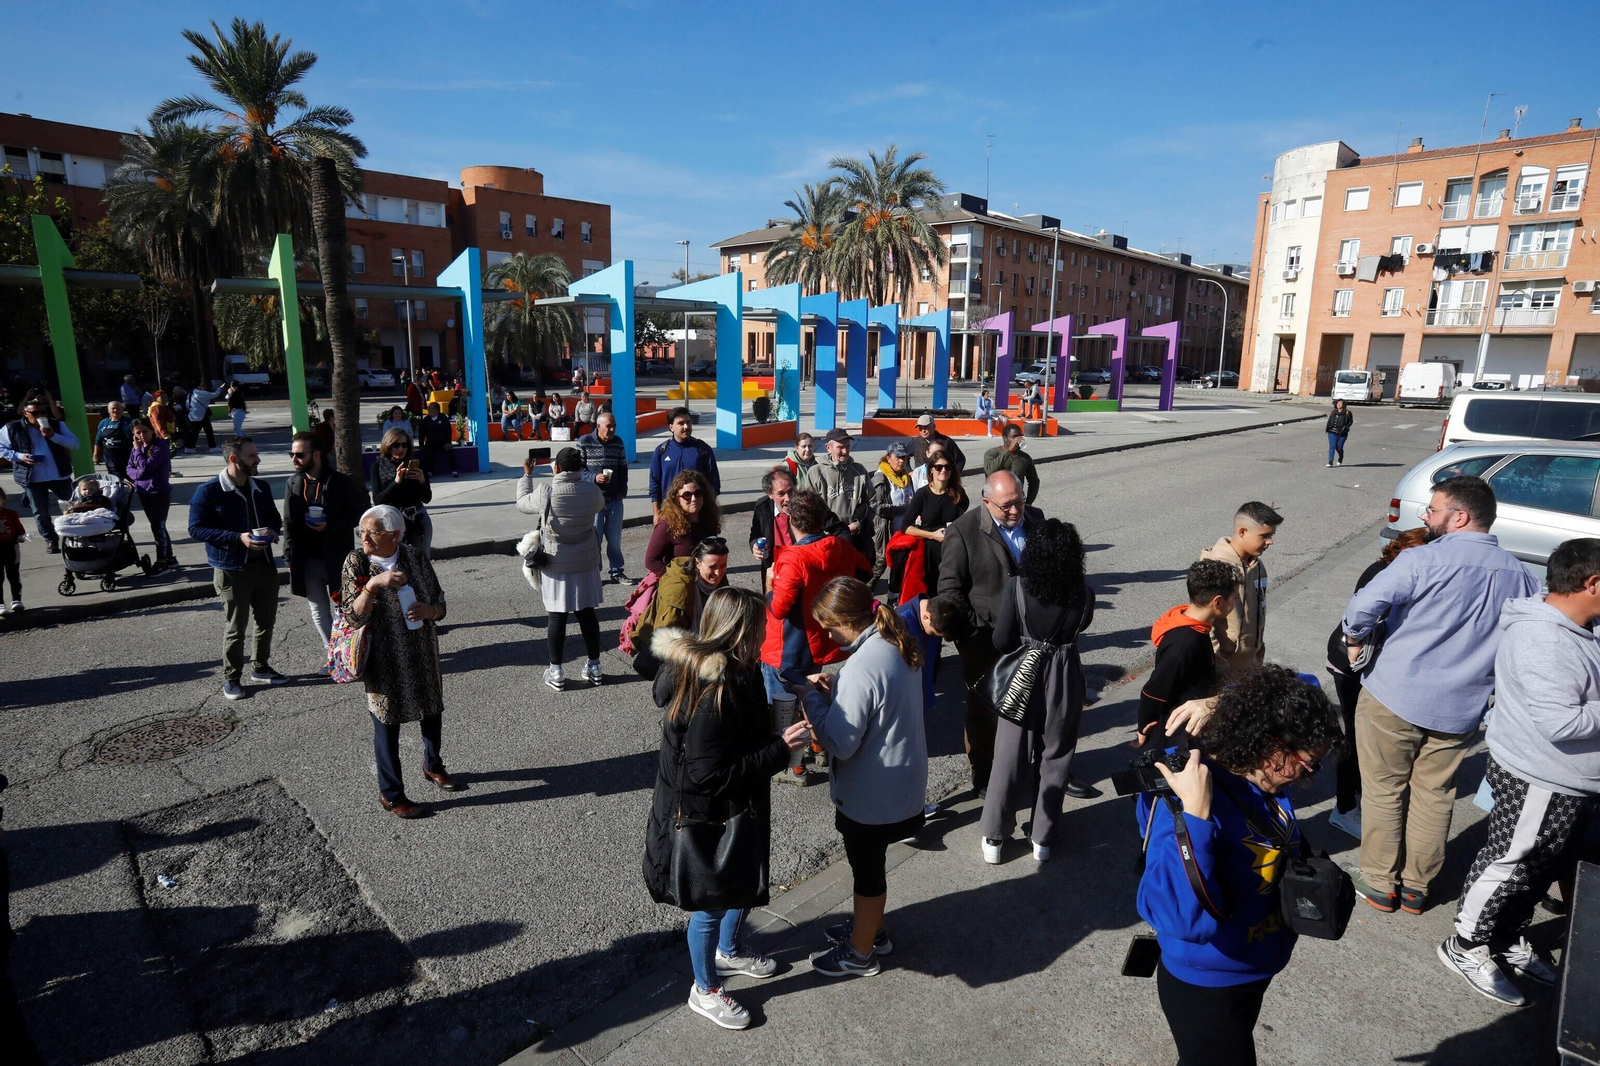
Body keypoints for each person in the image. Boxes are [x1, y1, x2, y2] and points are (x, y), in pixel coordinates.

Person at [1341, 475, 1539, 915]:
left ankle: (1379, 882)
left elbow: (1361, 608)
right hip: (1462, 706)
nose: (1425, 516)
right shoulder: (1523, 577)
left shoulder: (1421, 561)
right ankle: (1416, 887)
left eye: (1432, 510)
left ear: (1460, 516)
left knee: (1384, 790)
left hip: (1394, 694)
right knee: (1436, 793)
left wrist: (1356, 640)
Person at [1137, 666, 1340, 1066]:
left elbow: (1303, 684)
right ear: (1269, 743)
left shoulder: (1262, 769)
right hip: (1208, 984)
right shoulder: (1187, 800)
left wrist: (1219, 701)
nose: (1310, 776)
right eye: (1307, 763)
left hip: (1255, 964)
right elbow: (1181, 920)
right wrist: (1194, 815)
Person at [1438, 537, 1600, 1006]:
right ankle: (1466, 944)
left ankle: (1505, 936)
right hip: (1541, 778)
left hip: (1563, 779)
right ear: (1591, 583)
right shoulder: (1543, 639)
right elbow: (1562, 722)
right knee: (1509, 861)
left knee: (1536, 867)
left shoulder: (1575, 628)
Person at [643, 586, 812, 1031]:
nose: (765, 633)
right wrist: (779, 750)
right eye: (759, 626)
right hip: (707, 815)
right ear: (740, 632)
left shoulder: (739, 669)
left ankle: (729, 951)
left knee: (741, 880)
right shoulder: (714, 689)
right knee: (711, 902)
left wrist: (798, 694)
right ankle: (705, 988)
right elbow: (708, 775)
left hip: (736, 804)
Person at [794, 576, 929, 977]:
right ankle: (874, 931)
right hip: (901, 783)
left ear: (845, 619)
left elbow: (839, 740)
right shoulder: (895, 643)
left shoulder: (862, 665)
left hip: (872, 794)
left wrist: (809, 696)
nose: (827, 633)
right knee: (870, 867)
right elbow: (879, 702)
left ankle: (861, 951)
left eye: (829, 625)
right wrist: (837, 689)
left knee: (867, 873)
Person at [980, 519, 1096, 863]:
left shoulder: (1017, 587)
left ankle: (995, 838)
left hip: (1024, 677)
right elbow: (1080, 627)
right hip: (1065, 678)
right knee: (1056, 757)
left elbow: (1001, 641)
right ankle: (1042, 838)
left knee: (1009, 756)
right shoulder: (1085, 595)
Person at [342, 504, 456, 819]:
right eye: (361, 531)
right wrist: (372, 586)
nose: (364, 537)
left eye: (372, 531)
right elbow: (351, 615)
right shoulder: (357, 561)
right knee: (386, 722)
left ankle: (433, 766)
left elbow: (440, 601)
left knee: (431, 710)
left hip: (421, 650)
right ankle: (391, 794)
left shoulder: (414, 556)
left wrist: (429, 612)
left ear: (394, 534)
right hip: (383, 658)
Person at [937, 470, 1043, 794]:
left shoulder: (1035, 518)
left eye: (1019, 502)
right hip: (984, 639)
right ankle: (983, 771)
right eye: (1006, 506)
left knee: (1032, 702)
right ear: (987, 502)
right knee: (983, 709)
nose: (1015, 512)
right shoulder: (964, 531)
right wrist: (972, 633)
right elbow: (950, 589)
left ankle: (1031, 764)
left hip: (1031, 635)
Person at [1322, 528, 1430, 839]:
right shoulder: (1385, 575)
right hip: (1351, 664)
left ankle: (1353, 801)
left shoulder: (1393, 572)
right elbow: (1364, 617)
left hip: (1363, 664)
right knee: (1356, 739)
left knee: (1362, 738)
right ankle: (1344, 808)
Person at [187, 436, 285, 701]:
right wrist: (237, 538)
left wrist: (273, 532)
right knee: (236, 628)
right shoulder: (208, 491)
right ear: (234, 459)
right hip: (231, 569)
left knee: (266, 621)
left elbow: (274, 517)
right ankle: (231, 678)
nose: (258, 460)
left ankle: (261, 667)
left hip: (264, 565)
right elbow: (195, 528)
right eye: (252, 456)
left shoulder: (261, 487)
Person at [760, 489, 872, 704]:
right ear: (823, 518)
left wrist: (770, 583)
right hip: (819, 641)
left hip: (786, 650)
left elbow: (779, 608)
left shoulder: (794, 558)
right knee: (810, 705)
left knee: (782, 716)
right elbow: (866, 572)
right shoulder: (840, 547)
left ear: (791, 520)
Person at [518, 447, 607, 690]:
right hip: (585, 561)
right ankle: (595, 666)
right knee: (587, 613)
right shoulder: (592, 489)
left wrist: (527, 475)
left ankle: (556, 671)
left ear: (556, 467)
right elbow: (598, 506)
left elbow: (521, 504)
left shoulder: (546, 492)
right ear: (579, 468)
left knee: (556, 616)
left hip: (556, 561)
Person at [1138, 560, 1238, 754]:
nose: (1236, 603)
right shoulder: (1185, 642)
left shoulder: (1192, 625)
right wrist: (1144, 725)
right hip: (1179, 728)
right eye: (1234, 598)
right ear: (1217, 602)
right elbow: (1154, 690)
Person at [285, 430, 368, 653]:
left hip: (337, 556)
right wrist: (288, 558)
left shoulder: (340, 482)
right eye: (292, 454)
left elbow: (359, 513)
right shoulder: (293, 483)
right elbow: (288, 523)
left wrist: (329, 525)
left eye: (300, 455)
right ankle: (333, 652)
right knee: (318, 609)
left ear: (317, 455)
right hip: (307, 557)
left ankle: (351, 651)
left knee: (345, 606)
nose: (294, 459)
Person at [630, 537, 730, 679]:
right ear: (697, 563)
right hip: (675, 658)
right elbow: (667, 640)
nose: (718, 573)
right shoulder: (679, 590)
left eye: (723, 566)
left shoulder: (717, 580)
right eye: (712, 567)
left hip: (698, 647)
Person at [1200, 501, 1282, 675]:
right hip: (1224, 670)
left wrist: (1258, 650)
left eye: (1272, 535)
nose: (1270, 541)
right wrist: (1218, 664)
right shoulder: (1218, 568)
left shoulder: (1257, 566)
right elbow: (1204, 622)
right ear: (1243, 532)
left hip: (1250, 664)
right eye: (1265, 535)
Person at [0, 393, 79, 554]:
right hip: (32, 478)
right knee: (40, 512)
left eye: (44, 412)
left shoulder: (56, 425)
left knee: (74, 506)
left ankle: (77, 536)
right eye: (36, 413)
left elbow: (75, 444)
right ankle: (51, 541)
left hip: (59, 475)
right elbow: (1, 448)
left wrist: (54, 436)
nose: (41, 416)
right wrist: (20, 456)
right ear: (25, 413)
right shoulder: (12, 428)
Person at [896, 450, 969, 599]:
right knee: (929, 594)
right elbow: (906, 527)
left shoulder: (958, 493)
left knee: (950, 591)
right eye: (939, 467)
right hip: (929, 551)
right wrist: (932, 535)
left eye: (948, 467)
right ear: (931, 470)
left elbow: (962, 518)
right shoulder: (922, 494)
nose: (944, 471)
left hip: (951, 550)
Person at [577, 411, 632, 584]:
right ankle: (594, 574)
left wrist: (623, 490)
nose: (612, 429)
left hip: (615, 499)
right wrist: (594, 477)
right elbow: (578, 470)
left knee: (614, 539)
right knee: (595, 540)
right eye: (609, 426)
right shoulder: (584, 442)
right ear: (598, 426)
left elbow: (623, 468)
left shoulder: (618, 442)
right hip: (593, 500)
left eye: (614, 425)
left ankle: (617, 571)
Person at [810, 428, 874, 560]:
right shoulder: (815, 472)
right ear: (828, 448)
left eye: (847, 446)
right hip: (826, 537)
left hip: (855, 535)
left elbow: (871, 502)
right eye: (840, 447)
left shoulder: (860, 470)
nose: (845, 451)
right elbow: (809, 507)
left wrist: (858, 524)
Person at [368, 428, 434, 558]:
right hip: (391, 521)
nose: (400, 449)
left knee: (421, 562)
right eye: (396, 445)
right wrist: (396, 482)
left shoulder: (417, 465)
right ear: (388, 446)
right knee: (394, 563)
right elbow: (378, 500)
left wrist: (422, 481)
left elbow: (427, 498)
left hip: (416, 518)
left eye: (404, 445)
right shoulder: (377, 467)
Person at [896, 592, 963, 716]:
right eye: (933, 633)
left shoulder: (938, 613)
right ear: (927, 617)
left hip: (923, 687)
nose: (935, 637)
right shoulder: (900, 622)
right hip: (907, 698)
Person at [645, 470, 722, 577]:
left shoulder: (709, 520)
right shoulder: (667, 525)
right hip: (679, 585)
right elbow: (651, 561)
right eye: (687, 495)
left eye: (698, 493)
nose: (694, 499)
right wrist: (677, 578)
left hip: (706, 582)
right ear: (677, 499)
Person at [649, 407, 720, 521]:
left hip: (697, 514)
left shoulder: (702, 449)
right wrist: (656, 513)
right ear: (671, 427)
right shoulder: (661, 451)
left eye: (688, 422)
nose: (686, 427)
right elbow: (654, 484)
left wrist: (708, 510)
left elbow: (714, 483)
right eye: (681, 423)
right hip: (670, 513)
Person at [125, 420, 175, 571]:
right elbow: (129, 469)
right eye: (137, 433)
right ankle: (170, 557)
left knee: (157, 526)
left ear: (152, 430)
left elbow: (146, 466)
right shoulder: (136, 449)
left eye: (145, 431)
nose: (141, 436)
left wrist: (139, 454)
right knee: (157, 526)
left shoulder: (161, 446)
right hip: (143, 491)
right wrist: (139, 473)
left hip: (159, 492)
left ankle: (162, 562)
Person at [868, 441, 915, 590]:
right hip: (885, 531)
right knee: (879, 565)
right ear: (888, 457)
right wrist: (905, 509)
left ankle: (893, 599)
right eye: (898, 457)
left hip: (903, 532)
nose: (901, 461)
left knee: (900, 566)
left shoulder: (906, 477)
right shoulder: (880, 478)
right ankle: (863, 596)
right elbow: (877, 507)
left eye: (904, 458)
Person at [748, 465, 795, 593]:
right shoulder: (762, 507)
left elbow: (838, 529)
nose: (788, 499)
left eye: (791, 491)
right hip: (773, 572)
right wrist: (754, 546)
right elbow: (755, 534)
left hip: (801, 570)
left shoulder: (807, 505)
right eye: (781, 494)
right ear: (770, 494)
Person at [983, 424, 1041, 505]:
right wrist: (1009, 451)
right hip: (995, 502)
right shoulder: (992, 453)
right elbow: (990, 471)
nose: (1018, 439)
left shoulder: (1025, 458)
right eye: (1014, 437)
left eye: (1020, 436)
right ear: (1005, 438)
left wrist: (1028, 503)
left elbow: (1034, 481)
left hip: (1016, 502)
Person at [93, 401, 134, 479]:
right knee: (116, 483)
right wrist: (96, 455)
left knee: (135, 481)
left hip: (128, 459)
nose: (115, 410)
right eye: (113, 408)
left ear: (122, 410)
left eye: (118, 408)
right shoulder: (103, 423)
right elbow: (98, 440)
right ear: (108, 410)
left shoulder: (130, 422)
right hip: (110, 460)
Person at [0, 488, 24, 614]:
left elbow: (19, 529)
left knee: (14, 576)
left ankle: (17, 600)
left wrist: (21, 536)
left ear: (3, 499)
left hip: (11, 548)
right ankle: (0, 604)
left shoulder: (11, 514)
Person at [418, 402, 456, 479]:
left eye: (430, 408)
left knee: (450, 452)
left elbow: (448, 431)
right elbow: (421, 433)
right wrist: (421, 444)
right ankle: (429, 471)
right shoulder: (426, 420)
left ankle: (454, 471)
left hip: (443, 442)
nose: (428, 410)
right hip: (431, 443)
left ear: (436, 410)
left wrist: (448, 442)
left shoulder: (443, 418)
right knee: (426, 452)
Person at [184, 382, 221, 452]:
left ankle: (189, 447)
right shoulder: (200, 393)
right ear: (198, 386)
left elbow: (187, 405)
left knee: (194, 432)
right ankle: (212, 446)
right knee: (209, 431)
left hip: (192, 415)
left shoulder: (190, 394)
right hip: (202, 415)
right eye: (202, 385)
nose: (204, 387)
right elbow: (214, 395)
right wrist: (220, 389)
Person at [1326, 399, 1354, 468]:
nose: (1338, 404)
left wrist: (1346, 428)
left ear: (1344, 405)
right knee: (1332, 446)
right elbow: (1329, 421)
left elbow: (1350, 422)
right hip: (1332, 432)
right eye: (1337, 403)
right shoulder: (1333, 412)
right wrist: (1328, 428)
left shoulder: (1347, 412)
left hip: (1342, 433)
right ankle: (1330, 462)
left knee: (1339, 448)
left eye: (1340, 403)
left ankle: (1340, 457)